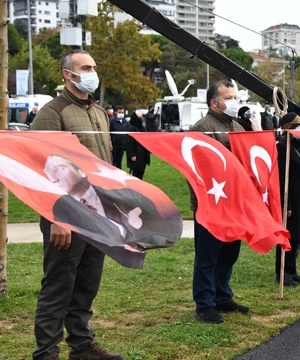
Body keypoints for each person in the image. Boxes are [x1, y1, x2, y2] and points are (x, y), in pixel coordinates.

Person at [29, 49, 124, 360]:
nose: (92, 72)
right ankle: (46, 352)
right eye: (85, 67)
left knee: (87, 283)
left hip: (97, 211)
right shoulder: (51, 112)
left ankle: (81, 346)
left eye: (94, 66)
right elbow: (41, 169)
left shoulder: (98, 113)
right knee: (59, 285)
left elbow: (105, 165)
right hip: (67, 213)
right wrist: (56, 216)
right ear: (67, 74)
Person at [190, 80, 249, 324]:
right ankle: (204, 303)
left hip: (234, 202)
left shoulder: (237, 126)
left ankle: (222, 295)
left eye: (235, 97)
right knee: (208, 256)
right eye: (229, 97)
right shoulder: (202, 128)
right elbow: (197, 169)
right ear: (214, 102)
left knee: (229, 253)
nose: (235, 102)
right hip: (211, 204)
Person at [44, 154, 178, 253]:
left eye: (58, 169)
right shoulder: (54, 115)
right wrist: (56, 219)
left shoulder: (126, 198)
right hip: (68, 219)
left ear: (81, 171)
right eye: (49, 174)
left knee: (89, 282)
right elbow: (38, 169)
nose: (53, 179)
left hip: (99, 219)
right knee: (62, 283)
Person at [275, 113, 300, 286]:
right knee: (288, 236)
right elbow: (281, 178)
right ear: (288, 130)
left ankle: (292, 270)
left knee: (298, 235)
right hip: (291, 197)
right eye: (297, 126)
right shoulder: (282, 147)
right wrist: (287, 203)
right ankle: (282, 273)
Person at [124, 112, 150, 180]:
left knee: (141, 172)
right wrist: (132, 155)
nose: (140, 119)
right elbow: (129, 143)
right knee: (134, 173)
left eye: (141, 117)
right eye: (139, 117)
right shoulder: (131, 128)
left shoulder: (142, 127)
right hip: (136, 154)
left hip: (142, 154)